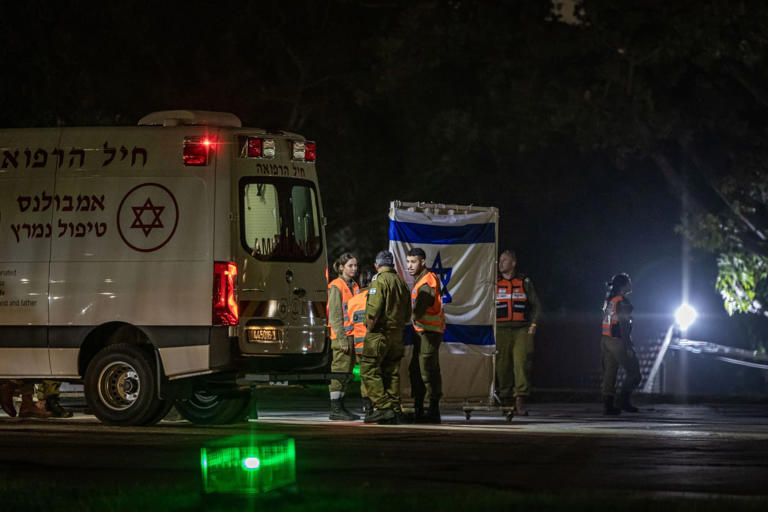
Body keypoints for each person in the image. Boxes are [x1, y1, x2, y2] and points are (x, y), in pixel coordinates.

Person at [360, 250, 412, 424]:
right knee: (392, 372)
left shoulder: (379, 280)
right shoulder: (402, 283)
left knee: (368, 368)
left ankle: (383, 407)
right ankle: (395, 410)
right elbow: (407, 314)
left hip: (380, 333)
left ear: (377, 265)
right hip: (397, 334)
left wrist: (370, 329)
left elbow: (373, 311)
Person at [495, 249, 541, 416]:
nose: (500, 263)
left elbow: (536, 305)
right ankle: (506, 402)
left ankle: (520, 400)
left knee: (521, 364)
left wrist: (533, 325)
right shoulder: (495, 282)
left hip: (521, 329)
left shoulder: (524, 282)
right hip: (500, 330)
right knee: (502, 366)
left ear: (513, 263)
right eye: (500, 260)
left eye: (504, 260)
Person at [406, 247, 445, 423]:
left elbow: (421, 305)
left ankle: (433, 410)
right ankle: (420, 409)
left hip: (429, 334)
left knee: (428, 371)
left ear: (423, 262)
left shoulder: (427, 281)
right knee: (416, 370)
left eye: (413, 262)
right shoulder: (420, 280)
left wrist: (408, 317)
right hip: (421, 333)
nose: (409, 266)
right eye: (407, 262)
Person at [601, 273, 642, 415]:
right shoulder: (622, 302)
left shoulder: (610, 299)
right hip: (618, 340)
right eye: (629, 282)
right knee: (635, 374)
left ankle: (608, 405)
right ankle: (623, 401)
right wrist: (628, 345)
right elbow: (623, 324)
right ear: (623, 286)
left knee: (610, 373)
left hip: (606, 339)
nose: (631, 284)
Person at [327, 252, 361, 421]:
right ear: (341, 268)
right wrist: (341, 338)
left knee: (347, 374)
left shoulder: (354, 286)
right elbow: (334, 315)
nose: (354, 268)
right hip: (342, 338)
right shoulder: (336, 286)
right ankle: (335, 408)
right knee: (340, 372)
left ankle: (340, 406)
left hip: (353, 336)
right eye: (350, 265)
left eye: (355, 265)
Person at [347, 268, 373, 419]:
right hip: (374, 345)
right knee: (377, 375)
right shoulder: (375, 298)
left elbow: (350, 324)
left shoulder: (352, 301)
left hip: (359, 347)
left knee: (365, 378)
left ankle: (367, 407)